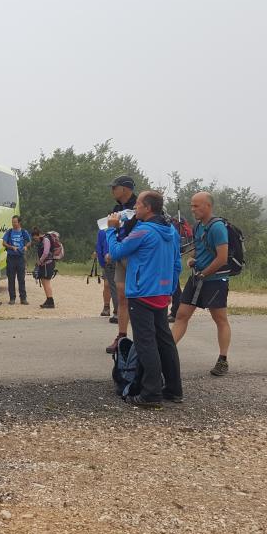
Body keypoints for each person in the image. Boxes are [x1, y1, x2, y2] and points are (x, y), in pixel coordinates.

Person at [106, 191, 182, 409]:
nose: (134, 208)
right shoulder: (171, 231)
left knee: (145, 342)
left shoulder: (143, 231)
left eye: (138, 205)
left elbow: (118, 251)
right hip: (162, 291)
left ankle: (151, 393)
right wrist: (171, 287)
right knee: (164, 340)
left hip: (141, 292)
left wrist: (112, 229)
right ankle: (174, 389)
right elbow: (177, 262)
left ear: (148, 208)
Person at [172, 191, 233, 376]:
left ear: (208, 206)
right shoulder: (198, 226)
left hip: (214, 280)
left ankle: (223, 360)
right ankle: (165, 351)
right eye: (191, 205)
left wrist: (204, 273)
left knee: (220, 319)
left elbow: (222, 258)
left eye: (196, 206)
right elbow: (199, 249)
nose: (193, 209)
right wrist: (193, 259)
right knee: (181, 315)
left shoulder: (218, 228)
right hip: (198, 277)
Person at [106, 175, 139, 353]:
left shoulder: (140, 205)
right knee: (121, 296)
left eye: (114, 187)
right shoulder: (117, 208)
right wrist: (111, 250)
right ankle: (122, 337)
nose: (112, 190)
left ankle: (142, 338)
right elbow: (112, 230)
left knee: (138, 298)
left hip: (136, 257)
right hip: (120, 255)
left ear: (125, 189)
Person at [2, 215, 31, 305]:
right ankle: (12, 298)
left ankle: (23, 298)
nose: (13, 223)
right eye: (12, 222)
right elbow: (4, 243)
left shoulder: (23, 232)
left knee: (21, 279)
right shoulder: (9, 232)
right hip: (11, 258)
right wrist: (11, 247)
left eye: (15, 222)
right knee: (11, 279)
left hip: (20, 258)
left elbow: (29, 241)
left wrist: (26, 246)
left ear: (19, 222)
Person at [95, 227, 118, 319]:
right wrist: (102, 263)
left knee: (113, 285)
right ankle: (107, 307)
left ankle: (118, 310)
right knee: (107, 284)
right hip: (108, 261)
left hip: (111, 260)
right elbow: (99, 247)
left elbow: (99, 248)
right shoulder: (103, 230)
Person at [32, 228, 56, 308]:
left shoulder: (46, 240)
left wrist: (40, 261)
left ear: (39, 235)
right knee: (44, 281)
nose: (36, 240)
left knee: (46, 282)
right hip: (44, 264)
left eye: (36, 238)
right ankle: (48, 299)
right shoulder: (42, 240)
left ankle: (50, 301)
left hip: (47, 264)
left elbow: (46, 252)